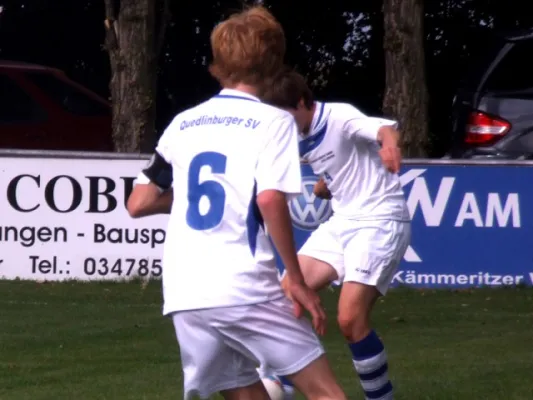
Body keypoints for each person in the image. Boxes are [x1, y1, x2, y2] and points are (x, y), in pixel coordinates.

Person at [126, 6, 347, 400]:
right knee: (326, 393)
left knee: (245, 393)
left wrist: (194, 198)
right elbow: (268, 198)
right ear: (273, 63)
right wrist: (295, 279)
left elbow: (139, 202)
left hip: (186, 293)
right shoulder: (274, 122)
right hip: (244, 289)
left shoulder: (183, 123)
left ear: (219, 62)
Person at [259, 69, 412, 400]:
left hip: (380, 219)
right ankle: (282, 384)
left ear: (302, 102)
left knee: (350, 319)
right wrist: (326, 186)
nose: (281, 125)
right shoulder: (298, 135)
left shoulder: (339, 116)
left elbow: (384, 130)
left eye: (284, 116)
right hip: (343, 221)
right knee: (286, 293)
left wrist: (389, 147)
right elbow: (342, 167)